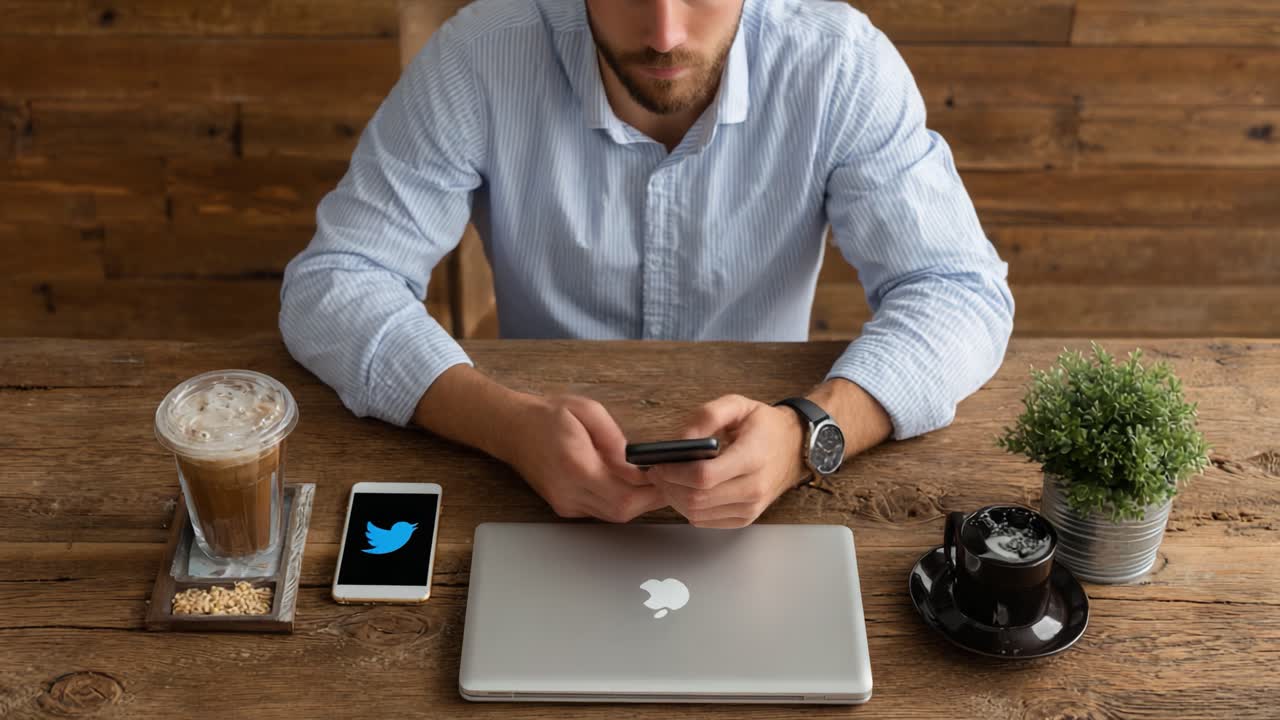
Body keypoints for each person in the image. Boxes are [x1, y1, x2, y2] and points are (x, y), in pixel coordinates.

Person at [280, 0, 1014, 529]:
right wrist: (505, 426)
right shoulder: (479, 54)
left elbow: (957, 291)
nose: (665, 33)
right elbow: (337, 280)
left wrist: (809, 432)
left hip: (779, 472)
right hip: (523, 471)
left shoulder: (841, 64)